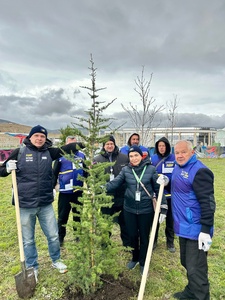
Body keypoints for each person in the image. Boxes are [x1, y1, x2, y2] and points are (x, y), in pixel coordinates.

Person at [0, 125, 82, 282]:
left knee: (52, 235)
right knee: (28, 239)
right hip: (25, 204)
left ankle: (56, 260)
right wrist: (7, 169)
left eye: (42, 136)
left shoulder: (49, 152)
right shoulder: (20, 152)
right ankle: (32, 267)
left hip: (45, 203)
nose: (39, 139)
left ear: (46, 139)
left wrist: (88, 143)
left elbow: (68, 148)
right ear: (30, 137)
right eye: (36, 136)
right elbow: (1, 171)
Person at [106, 145, 167, 275]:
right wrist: (98, 189)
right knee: (132, 235)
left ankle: (143, 261)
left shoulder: (150, 169)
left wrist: (163, 208)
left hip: (146, 210)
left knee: (144, 236)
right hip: (129, 209)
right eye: (131, 156)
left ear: (141, 156)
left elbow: (158, 189)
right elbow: (114, 183)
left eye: (136, 155)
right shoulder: (126, 170)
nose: (133, 158)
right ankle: (135, 257)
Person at [171, 140, 216, 300]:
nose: (180, 155)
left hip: (196, 229)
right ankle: (191, 290)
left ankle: (201, 296)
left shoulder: (200, 172)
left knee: (196, 268)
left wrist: (205, 230)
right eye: (177, 152)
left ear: (192, 153)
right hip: (183, 226)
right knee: (186, 262)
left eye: (183, 152)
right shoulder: (178, 167)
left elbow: (208, 202)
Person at [93, 135, 130, 246]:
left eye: (111, 144)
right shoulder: (97, 160)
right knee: (106, 222)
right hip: (105, 197)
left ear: (114, 145)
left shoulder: (124, 158)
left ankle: (127, 244)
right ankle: (105, 244)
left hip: (121, 196)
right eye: (107, 144)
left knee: (124, 223)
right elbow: (94, 178)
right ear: (104, 146)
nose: (110, 146)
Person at [53, 135, 86, 247]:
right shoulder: (60, 156)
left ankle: (78, 235)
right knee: (63, 216)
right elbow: (54, 173)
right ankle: (60, 237)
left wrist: (90, 185)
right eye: (70, 144)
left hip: (78, 191)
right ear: (66, 144)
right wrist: (52, 188)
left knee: (78, 215)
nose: (73, 146)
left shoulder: (82, 156)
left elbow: (86, 172)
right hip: (65, 192)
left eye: (75, 144)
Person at [151, 137, 175, 252]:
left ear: (167, 146)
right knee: (156, 219)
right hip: (158, 196)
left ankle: (170, 242)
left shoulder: (173, 158)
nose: (162, 148)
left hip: (170, 195)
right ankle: (154, 241)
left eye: (164, 146)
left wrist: (168, 180)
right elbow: (150, 173)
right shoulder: (153, 158)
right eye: (160, 146)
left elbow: (177, 173)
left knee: (170, 220)